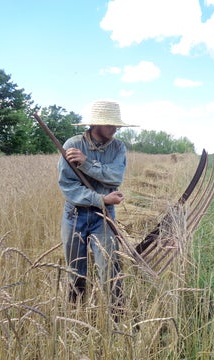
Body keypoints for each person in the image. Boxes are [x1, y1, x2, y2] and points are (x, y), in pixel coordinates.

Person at [58, 100, 136, 308]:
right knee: (75, 270)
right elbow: (68, 186)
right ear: (95, 124)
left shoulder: (118, 147)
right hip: (75, 215)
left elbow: (115, 177)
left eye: (116, 124)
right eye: (110, 123)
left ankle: (117, 317)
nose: (115, 128)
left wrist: (86, 163)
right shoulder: (72, 146)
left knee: (110, 269)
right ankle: (76, 314)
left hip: (104, 216)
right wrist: (100, 198)